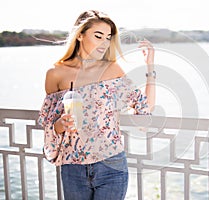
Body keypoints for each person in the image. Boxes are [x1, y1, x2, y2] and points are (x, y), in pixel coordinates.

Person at [38, 10, 155, 200]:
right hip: (72, 167)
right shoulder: (55, 73)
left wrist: (150, 67)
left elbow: (145, 105)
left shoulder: (111, 69)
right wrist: (60, 125)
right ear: (80, 35)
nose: (104, 43)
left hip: (111, 165)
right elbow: (48, 122)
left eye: (108, 37)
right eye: (98, 36)